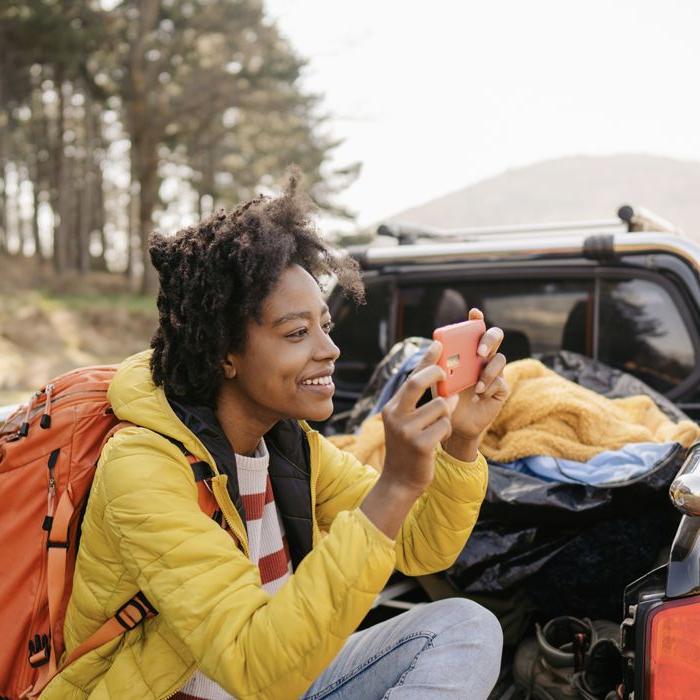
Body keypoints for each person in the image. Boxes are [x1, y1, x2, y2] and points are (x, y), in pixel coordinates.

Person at [42, 175, 509, 699]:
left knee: (465, 628)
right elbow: (253, 665)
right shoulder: (144, 466)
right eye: (296, 333)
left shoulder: (290, 444)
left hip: (282, 677)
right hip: (223, 683)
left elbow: (423, 548)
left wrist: (461, 442)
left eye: (325, 325)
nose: (329, 349)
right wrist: (395, 484)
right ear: (224, 353)